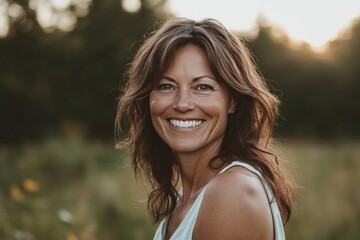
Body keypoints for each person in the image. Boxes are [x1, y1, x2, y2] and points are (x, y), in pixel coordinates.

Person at [115, 18, 294, 240]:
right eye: (166, 86)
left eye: (202, 87)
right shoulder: (185, 198)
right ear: (148, 99)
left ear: (233, 101)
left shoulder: (232, 193)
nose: (182, 104)